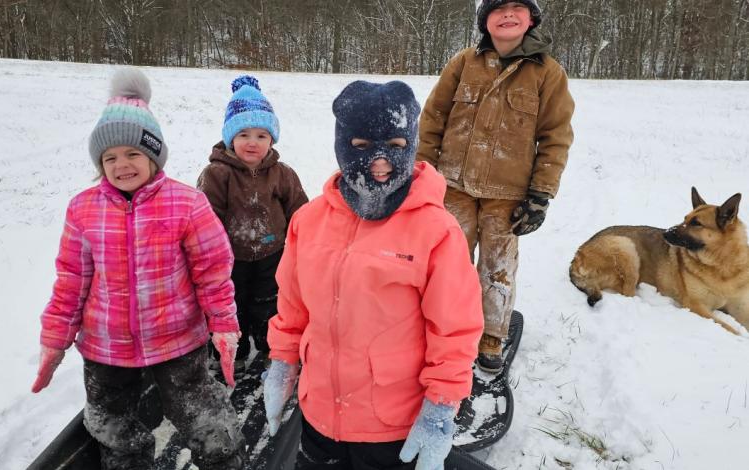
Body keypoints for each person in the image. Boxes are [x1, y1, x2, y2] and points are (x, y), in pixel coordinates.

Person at [262, 80, 484, 470]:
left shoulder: (437, 231)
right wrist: (283, 361)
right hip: (319, 412)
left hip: (390, 424)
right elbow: (292, 305)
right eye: (362, 147)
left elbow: (454, 329)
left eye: (395, 147)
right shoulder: (309, 221)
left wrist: (440, 409)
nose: (379, 162)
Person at [30, 68, 244, 470]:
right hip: (105, 345)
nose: (121, 164)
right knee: (112, 425)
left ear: (153, 155)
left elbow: (212, 272)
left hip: (177, 340)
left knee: (205, 416)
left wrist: (224, 325)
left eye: (133, 154)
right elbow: (71, 281)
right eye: (109, 157)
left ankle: (222, 460)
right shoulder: (83, 209)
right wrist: (56, 339)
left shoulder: (187, 204)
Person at [417, 0, 574, 372]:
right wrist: (422, 173)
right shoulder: (463, 62)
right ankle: (442, 326)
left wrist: (540, 195)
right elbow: (433, 118)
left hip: (507, 195)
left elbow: (556, 137)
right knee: (446, 263)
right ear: (484, 20)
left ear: (531, 19)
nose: (508, 15)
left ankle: (491, 334)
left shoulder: (548, 73)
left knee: (497, 267)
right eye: (498, 8)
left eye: (518, 8)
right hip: (452, 185)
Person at [198, 75, 308, 368]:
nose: (252, 143)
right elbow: (205, 220)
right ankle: (234, 347)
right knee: (233, 304)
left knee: (268, 301)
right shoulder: (217, 175)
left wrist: (304, 242)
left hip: (273, 254)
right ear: (230, 136)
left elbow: (299, 210)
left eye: (261, 135)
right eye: (244, 134)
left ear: (271, 138)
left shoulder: (282, 173)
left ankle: (266, 342)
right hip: (229, 259)